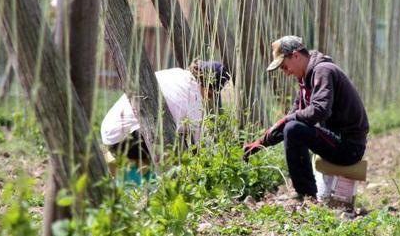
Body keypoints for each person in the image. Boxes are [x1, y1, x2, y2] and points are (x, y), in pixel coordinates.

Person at [243, 36, 369, 199]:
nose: (286, 72)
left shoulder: (323, 71)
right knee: (292, 126)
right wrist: (261, 142)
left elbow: (320, 110)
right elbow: (293, 115)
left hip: (349, 147)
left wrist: (289, 120)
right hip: (337, 140)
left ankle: (306, 195)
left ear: (295, 55)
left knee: (294, 129)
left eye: (284, 66)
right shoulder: (306, 80)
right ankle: (306, 193)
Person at [101, 60, 230, 185]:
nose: (208, 98)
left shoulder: (175, 73)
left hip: (112, 131)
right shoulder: (195, 99)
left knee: (174, 133)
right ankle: (160, 186)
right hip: (129, 139)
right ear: (209, 89)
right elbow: (198, 148)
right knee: (181, 145)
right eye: (211, 94)